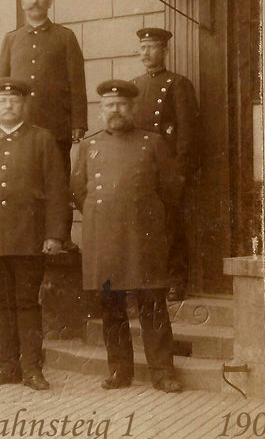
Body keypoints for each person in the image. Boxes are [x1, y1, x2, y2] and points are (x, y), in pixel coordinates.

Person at [73, 80, 185, 393]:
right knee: (111, 308)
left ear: (133, 108)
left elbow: (171, 190)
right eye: (109, 105)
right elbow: (78, 190)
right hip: (104, 239)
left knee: (153, 306)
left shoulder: (154, 143)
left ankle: (162, 372)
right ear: (101, 110)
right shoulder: (89, 146)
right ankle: (120, 370)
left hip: (142, 237)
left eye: (122, 105)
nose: (116, 110)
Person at [0, 78, 71, 391]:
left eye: (13, 100)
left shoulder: (42, 140)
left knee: (26, 303)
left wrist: (54, 235)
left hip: (28, 238)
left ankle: (32, 369)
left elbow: (57, 191)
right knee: (4, 303)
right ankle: (8, 366)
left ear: (24, 105)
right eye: (1, 101)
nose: (7, 105)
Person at [131, 27, 199, 302]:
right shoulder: (134, 86)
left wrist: (179, 173)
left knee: (171, 226)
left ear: (165, 50)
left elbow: (187, 133)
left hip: (169, 171)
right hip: (143, 169)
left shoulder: (178, 84)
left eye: (152, 47)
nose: (146, 53)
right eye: (142, 48)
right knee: (143, 227)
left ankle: (175, 280)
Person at [0, 0, 87, 174]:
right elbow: (1, 86)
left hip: (56, 126)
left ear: (49, 1)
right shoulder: (11, 40)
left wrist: (79, 122)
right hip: (21, 124)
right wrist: (0, 121)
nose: (35, 1)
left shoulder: (65, 37)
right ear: (22, 4)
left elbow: (77, 83)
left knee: (56, 178)